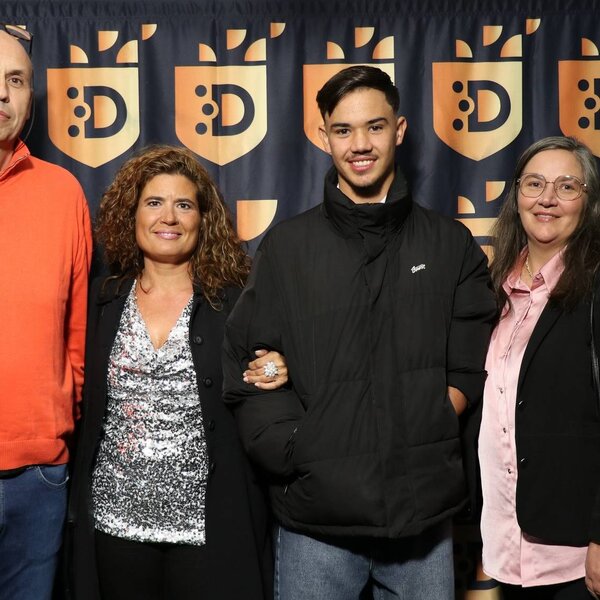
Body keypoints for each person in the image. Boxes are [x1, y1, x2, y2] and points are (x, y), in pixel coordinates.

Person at [222, 65, 497, 599]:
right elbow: (247, 364)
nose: (360, 144)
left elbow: (470, 364)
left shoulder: (450, 245)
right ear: (324, 136)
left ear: (400, 130)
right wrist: (297, 448)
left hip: (421, 517)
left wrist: (428, 424)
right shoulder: (287, 248)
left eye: (375, 126)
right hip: (315, 521)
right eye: (343, 130)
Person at [66, 145, 287, 600]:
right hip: (115, 524)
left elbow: (278, 370)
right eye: (154, 202)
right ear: (132, 215)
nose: (169, 217)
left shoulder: (236, 302)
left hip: (210, 530)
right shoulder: (101, 300)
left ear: (203, 220)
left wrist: (277, 368)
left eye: (184, 205)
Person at [478, 136, 600, 599]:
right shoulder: (492, 290)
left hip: (575, 553)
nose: (547, 198)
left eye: (567, 186)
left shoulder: (595, 288)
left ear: (588, 202)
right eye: (534, 184)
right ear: (516, 196)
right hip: (507, 546)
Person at [0, 25, 92, 600]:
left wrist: (56, 421)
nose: (1, 93)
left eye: (16, 80)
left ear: (31, 97)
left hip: (38, 475)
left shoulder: (63, 193)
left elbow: (77, 334)